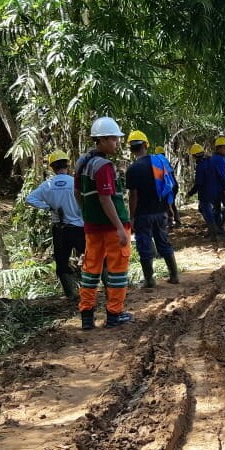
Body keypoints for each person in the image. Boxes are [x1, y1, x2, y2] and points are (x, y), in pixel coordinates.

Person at [74, 117, 133, 330]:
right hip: (112, 228)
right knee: (117, 271)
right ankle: (114, 315)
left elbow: (77, 193)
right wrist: (119, 227)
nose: (117, 143)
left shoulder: (82, 163)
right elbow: (105, 198)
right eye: (115, 139)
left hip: (92, 228)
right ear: (103, 139)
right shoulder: (104, 166)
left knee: (90, 270)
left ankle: (87, 317)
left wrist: (87, 215)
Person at [26, 150, 85, 300]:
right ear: (67, 164)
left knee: (61, 261)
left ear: (52, 167)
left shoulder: (48, 185)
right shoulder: (75, 182)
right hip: (79, 227)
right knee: (89, 257)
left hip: (60, 229)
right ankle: (93, 288)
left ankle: (70, 294)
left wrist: (49, 207)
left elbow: (30, 199)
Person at [126, 131, 179, 288]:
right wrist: (169, 208)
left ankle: (149, 280)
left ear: (131, 149)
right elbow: (168, 187)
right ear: (145, 145)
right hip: (161, 211)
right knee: (163, 242)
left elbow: (133, 196)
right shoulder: (160, 163)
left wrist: (132, 216)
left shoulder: (133, 169)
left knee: (144, 244)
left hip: (143, 214)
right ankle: (174, 275)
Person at [186, 143, 225, 239]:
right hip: (217, 191)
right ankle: (218, 228)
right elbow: (220, 175)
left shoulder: (200, 166)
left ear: (194, 156)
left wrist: (190, 193)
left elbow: (199, 183)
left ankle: (213, 231)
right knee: (214, 210)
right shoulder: (211, 161)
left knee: (207, 211)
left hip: (206, 193)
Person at [153, 145, 181, 227]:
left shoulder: (157, 160)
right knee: (171, 204)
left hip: (167, 186)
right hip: (174, 185)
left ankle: (170, 221)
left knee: (166, 204)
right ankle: (176, 221)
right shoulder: (165, 161)